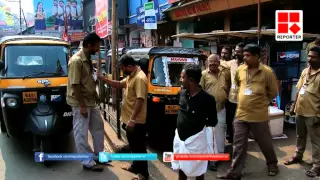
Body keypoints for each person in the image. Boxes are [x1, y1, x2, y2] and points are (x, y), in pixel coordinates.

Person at [217, 44, 279, 179]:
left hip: (259, 116)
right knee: (238, 145)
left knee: (264, 142)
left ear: (257, 57)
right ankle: (235, 173)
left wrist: (259, 102)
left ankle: (272, 164)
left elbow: (273, 92)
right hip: (241, 114)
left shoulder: (267, 72)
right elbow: (239, 86)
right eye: (243, 55)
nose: (244, 58)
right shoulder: (240, 70)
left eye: (247, 55)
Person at [97, 55, 149, 180]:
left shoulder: (140, 78)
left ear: (130, 66)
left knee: (139, 148)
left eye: (123, 68)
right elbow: (120, 84)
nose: (122, 71)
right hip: (130, 120)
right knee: (134, 146)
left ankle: (143, 174)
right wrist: (103, 79)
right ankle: (135, 167)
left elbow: (140, 100)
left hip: (136, 121)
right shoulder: (132, 76)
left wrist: (132, 119)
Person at [67, 32, 105, 172]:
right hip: (80, 102)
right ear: (89, 45)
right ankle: (87, 161)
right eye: (97, 46)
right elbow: (75, 85)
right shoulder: (76, 60)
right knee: (81, 133)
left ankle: (99, 156)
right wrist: (82, 106)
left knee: (98, 126)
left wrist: (95, 95)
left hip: (90, 101)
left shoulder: (87, 58)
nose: (98, 49)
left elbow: (88, 80)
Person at [172, 64, 218, 180]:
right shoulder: (182, 93)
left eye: (183, 77)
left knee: (198, 171)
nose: (180, 80)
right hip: (180, 140)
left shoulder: (208, 100)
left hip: (196, 144)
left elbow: (212, 122)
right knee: (181, 169)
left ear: (191, 80)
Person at [284, 46, 320, 178]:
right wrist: (294, 106)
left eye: (313, 57)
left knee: (316, 141)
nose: (309, 59)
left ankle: (317, 165)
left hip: (314, 114)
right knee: (300, 136)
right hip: (300, 111)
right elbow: (299, 90)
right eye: (309, 56)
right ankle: (298, 156)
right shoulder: (305, 71)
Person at [200, 54, 231, 171]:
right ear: (207, 62)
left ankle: (220, 155)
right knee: (210, 135)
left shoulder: (224, 74)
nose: (212, 63)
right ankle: (212, 159)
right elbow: (200, 91)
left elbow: (228, 87)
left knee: (220, 132)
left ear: (219, 63)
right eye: (210, 61)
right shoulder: (203, 75)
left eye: (215, 61)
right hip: (208, 110)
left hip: (221, 108)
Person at [225, 42, 245, 143]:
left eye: (239, 51)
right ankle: (230, 136)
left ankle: (240, 138)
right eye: (235, 51)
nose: (236, 53)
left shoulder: (247, 65)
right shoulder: (230, 63)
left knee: (241, 121)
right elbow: (218, 63)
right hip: (231, 98)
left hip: (243, 99)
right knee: (229, 119)